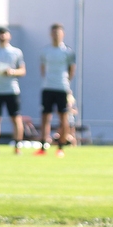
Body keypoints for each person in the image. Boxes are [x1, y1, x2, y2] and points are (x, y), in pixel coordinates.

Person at [36, 23, 76, 157]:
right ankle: (43, 146)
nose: (55, 35)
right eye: (53, 33)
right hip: (47, 87)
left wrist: (65, 81)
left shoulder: (67, 52)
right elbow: (42, 69)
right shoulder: (45, 51)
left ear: (62, 34)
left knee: (63, 117)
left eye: (58, 33)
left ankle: (61, 147)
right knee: (45, 116)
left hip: (62, 88)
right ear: (50, 34)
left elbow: (72, 70)